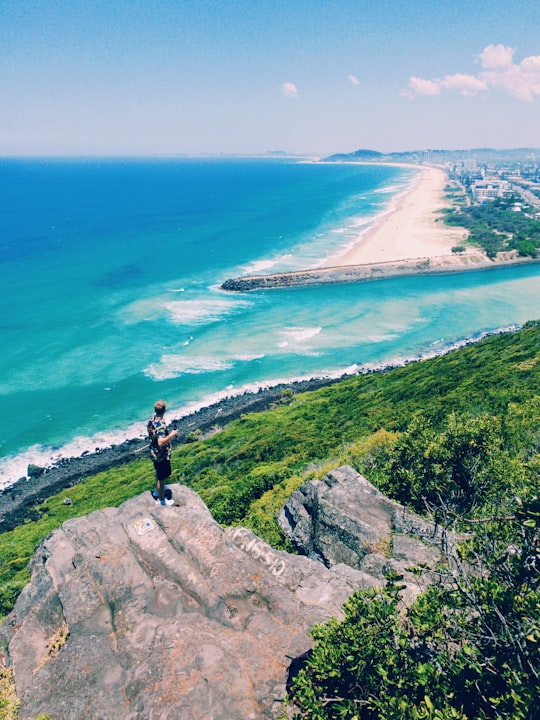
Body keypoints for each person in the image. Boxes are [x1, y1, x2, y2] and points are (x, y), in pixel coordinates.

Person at [147, 400, 178, 505]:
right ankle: (162, 500)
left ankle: (157, 491)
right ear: (165, 410)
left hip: (154, 452)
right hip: (161, 454)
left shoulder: (152, 420)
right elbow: (160, 442)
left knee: (158, 473)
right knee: (162, 477)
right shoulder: (160, 425)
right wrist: (172, 435)